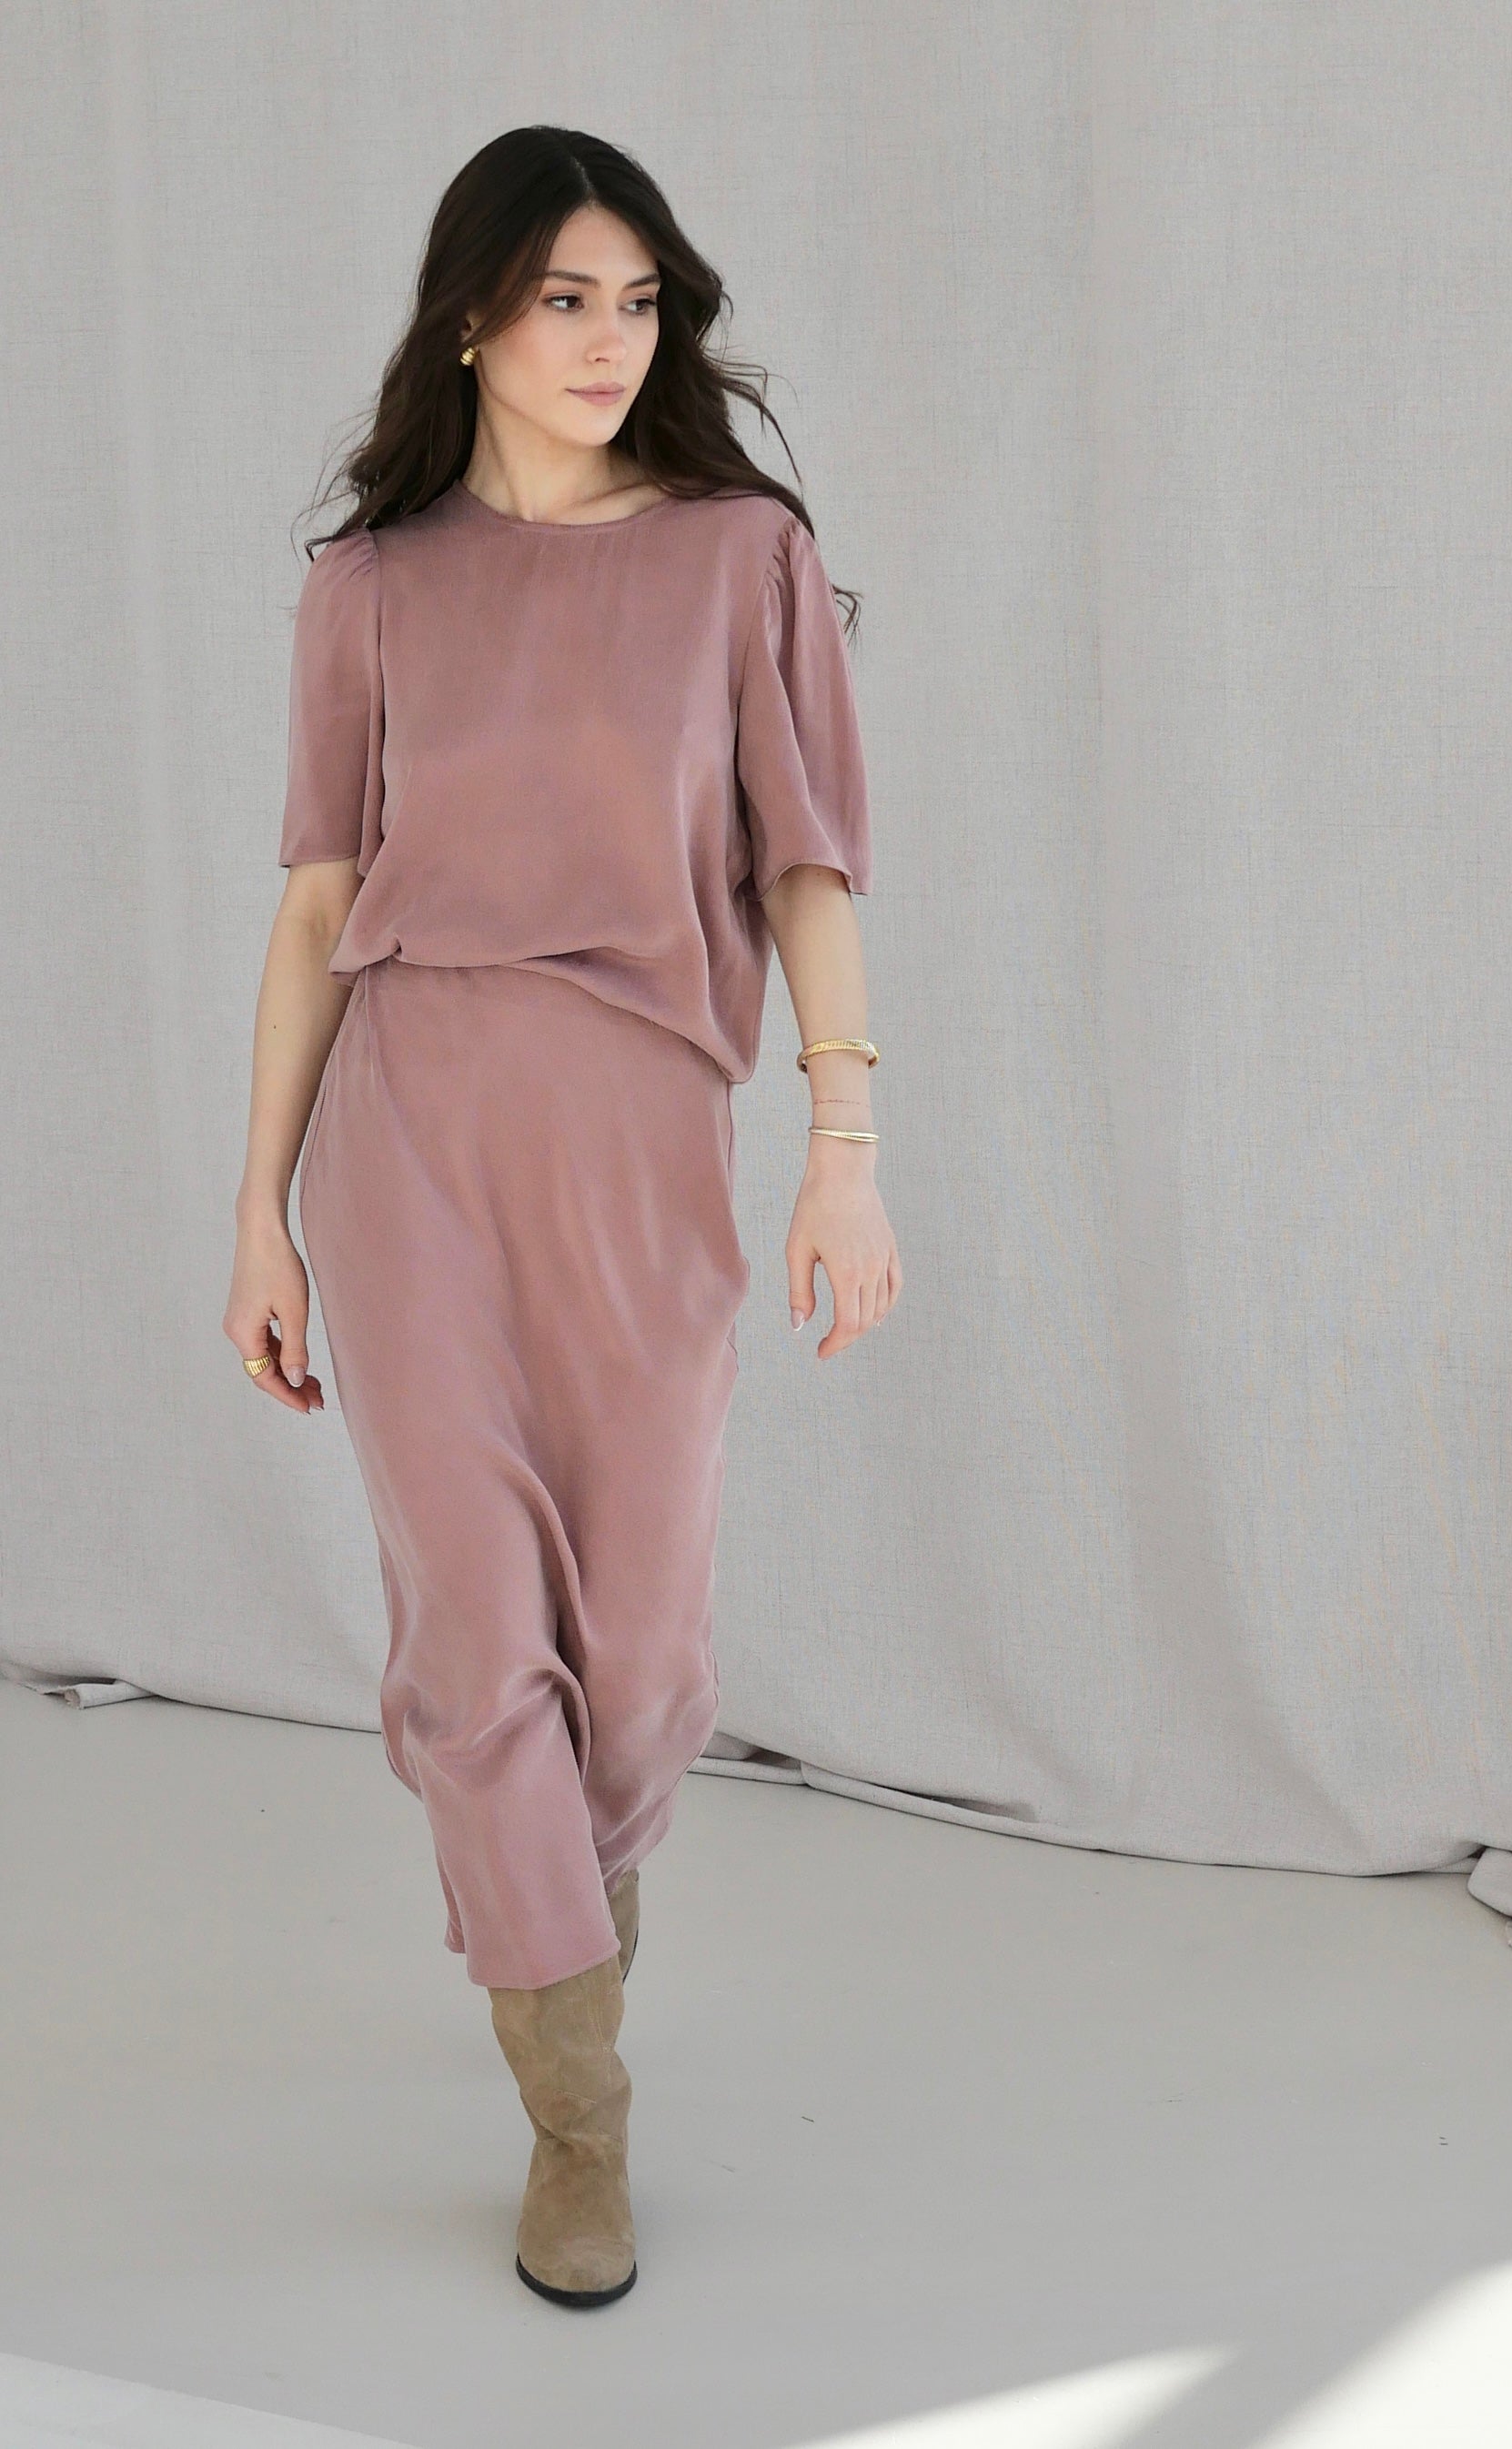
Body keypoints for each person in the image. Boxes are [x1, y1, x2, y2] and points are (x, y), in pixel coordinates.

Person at [223, 126, 900, 2309]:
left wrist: (842, 1141)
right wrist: (260, 1211)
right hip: (410, 1129)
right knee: (472, 1641)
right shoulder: (373, 584)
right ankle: (575, 2117)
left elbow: (804, 862)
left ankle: (553, 1943)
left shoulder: (737, 556)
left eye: (636, 301)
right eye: (560, 300)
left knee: (643, 1654)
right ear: (469, 319)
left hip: (639, 1136)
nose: (607, 341)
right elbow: (317, 903)